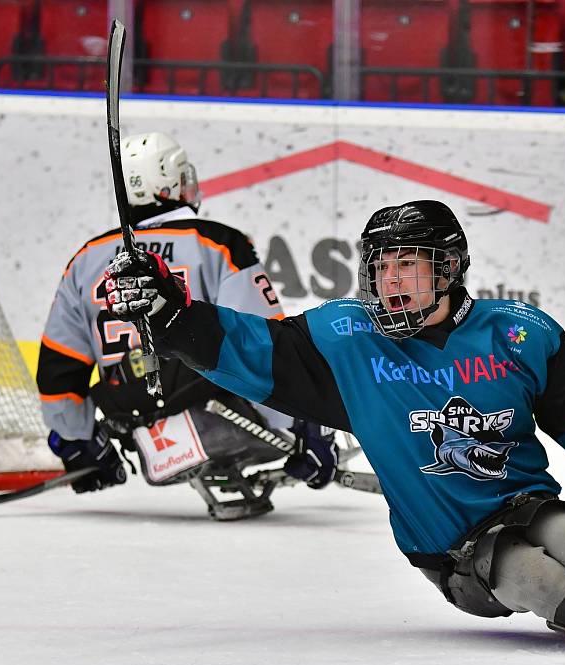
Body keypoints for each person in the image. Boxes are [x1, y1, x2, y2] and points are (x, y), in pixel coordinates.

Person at [102, 199, 565, 652]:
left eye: (408, 264)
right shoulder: (348, 341)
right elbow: (258, 350)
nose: (391, 281)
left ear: (450, 268)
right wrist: (176, 318)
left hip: (527, 499)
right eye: (382, 267)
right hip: (450, 551)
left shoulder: (520, 332)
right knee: (535, 579)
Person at [36, 131, 338, 520]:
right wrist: (304, 423)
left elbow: (59, 367)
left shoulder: (86, 258)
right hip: (219, 408)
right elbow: (264, 345)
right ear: (167, 184)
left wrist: (78, 439)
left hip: (133, 421)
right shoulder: (219, 243)